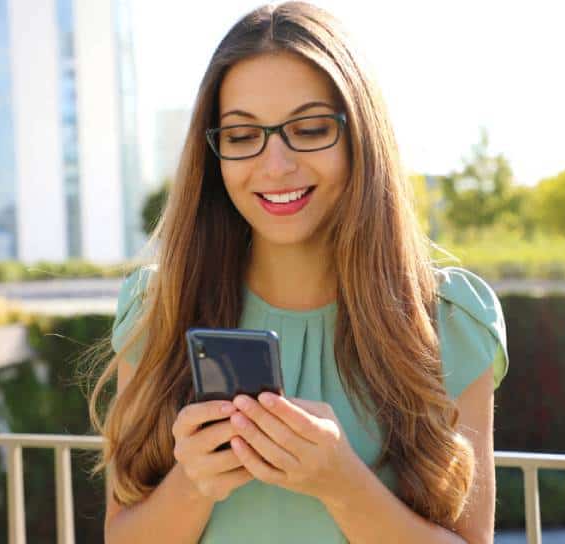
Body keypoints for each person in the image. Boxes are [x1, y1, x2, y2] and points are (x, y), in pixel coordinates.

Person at [89, 2, 508, 543]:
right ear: (213, 155)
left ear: (362, 138)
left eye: (309, 129)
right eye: (242, 137)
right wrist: (194, 483)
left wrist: (339, 483)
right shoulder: (156, 308)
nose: (276, 164)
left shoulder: (451, 320)